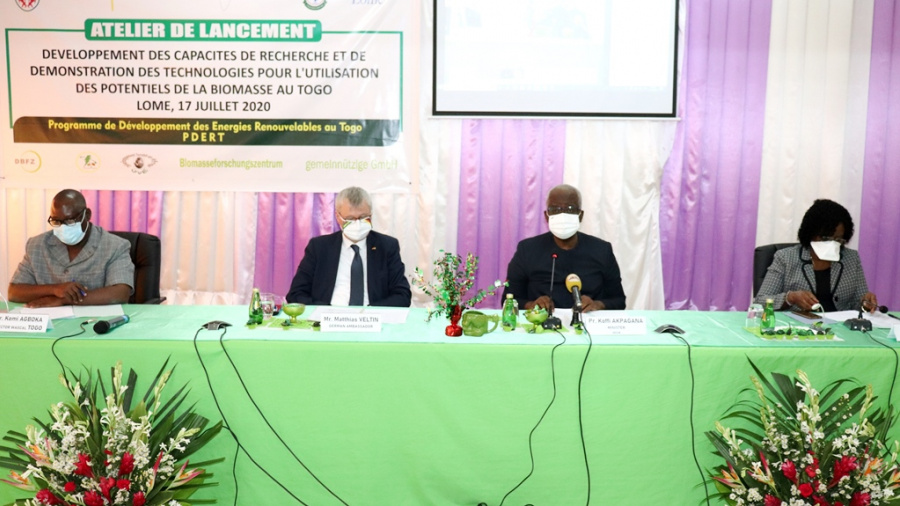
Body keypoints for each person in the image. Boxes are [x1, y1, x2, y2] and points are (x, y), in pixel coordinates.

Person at [503, 184, 626, 312]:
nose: (563, 214)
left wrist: (597, 305)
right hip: (542, 326)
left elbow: (619, 301)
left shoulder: (602, 250)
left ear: (580, 215)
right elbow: (508, 300)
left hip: (588, 326)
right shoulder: (527, 250)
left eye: (570, 208)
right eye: (555, 209)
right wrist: (532, 305)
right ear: (547, 216)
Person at [286, 186, 411, 307]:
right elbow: (296, 294)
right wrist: (326, 312)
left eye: (363, 217)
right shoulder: (319, 248)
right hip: (329, 319)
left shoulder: (387, 247)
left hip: (371, 319)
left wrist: (371, 312)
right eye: (350, 219)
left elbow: (402, 295)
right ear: (338, 217)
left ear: (371, 216)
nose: (357, 223)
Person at [9, 189, 134, 308]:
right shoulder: (37, 245)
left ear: (87, 215)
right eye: (57, 221)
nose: (63, 227)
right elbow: (14, 292)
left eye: (70, 221)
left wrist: (64, 300)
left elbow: (120, 293)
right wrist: (55, 289)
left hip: (94, 323)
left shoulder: (115, 246)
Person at [755, 199, 877, 312]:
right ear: (810, 233)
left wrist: (865, 303)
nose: (832, 243)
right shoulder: (786, 258)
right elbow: (760, 303)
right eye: (825, 238)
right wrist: (790, 298)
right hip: (799, 328)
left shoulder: (851, 258)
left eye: (838, 239)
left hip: (840, 328)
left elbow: (858, 303)